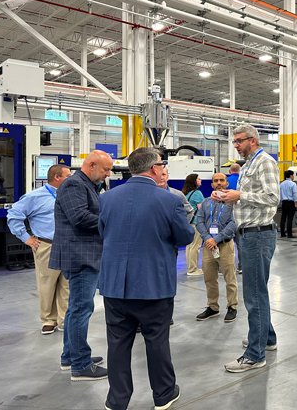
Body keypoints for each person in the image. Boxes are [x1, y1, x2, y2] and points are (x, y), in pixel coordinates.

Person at [97, 148, 194, 410]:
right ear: (153, 168)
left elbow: (103, 232)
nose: (163, 169)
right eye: (162, 164)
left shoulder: (106, 198)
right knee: (156, 340)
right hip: (154, 285)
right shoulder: (169, 201)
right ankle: (163, 395)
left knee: (117, 343)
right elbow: (185, 237)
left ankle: (116, 400)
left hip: (115, 285)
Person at [215, 125, 280, 373]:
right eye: (234, 141)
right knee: (258, 290)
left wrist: (240, 196)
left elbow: (273, 197)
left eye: (239, 141)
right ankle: (267, 338)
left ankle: (255, 354)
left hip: (258, 235)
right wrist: (227, 196)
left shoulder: (264, 162)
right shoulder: (248, 164)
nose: (235, 145)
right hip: (250, 234)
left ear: (252, 140)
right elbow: (247, 196)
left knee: (254, 295)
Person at [49, 150, 113, 381]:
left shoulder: (88, 185)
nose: (108, 174)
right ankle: (81, 365)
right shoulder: (74, 184)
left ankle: (70, 356)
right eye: (105, 169)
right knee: (81, 309)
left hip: (82, 254)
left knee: (76, 308)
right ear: (91, 165)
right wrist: (112, 220)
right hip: (80, 256)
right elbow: (79, 217)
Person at [7, 164, 72, 334]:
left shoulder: (70, 194)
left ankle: (64, 320)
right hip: (47, 245)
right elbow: (14, 215)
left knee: (67, 284)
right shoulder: (34, 197)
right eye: (67, 176)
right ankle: (48, 319)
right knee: (47, 284)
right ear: (57, 177)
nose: (71, 179)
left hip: (69, 245)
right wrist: (26, 238)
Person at [196, 173, 238, 323]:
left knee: (229, 278)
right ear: (212, 184)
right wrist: (208, 238)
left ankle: (232, 306)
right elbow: (199, 221)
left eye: (222, 180)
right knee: (209, 278)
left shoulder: (233, 203)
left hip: (225, 245)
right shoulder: (206, 202)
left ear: (227, 184)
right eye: (216, 181)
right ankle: (213, 307)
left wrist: (216, 238)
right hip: (209, 247)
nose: (219, 183)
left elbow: (234, 223)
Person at [182, 174, 205, 275]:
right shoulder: (197, 193)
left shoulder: (185, 193)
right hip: (196, 223)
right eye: (199, 179)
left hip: (188, 222)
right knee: (196, 246)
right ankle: (192, 269)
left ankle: (190, 267)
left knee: (189, 246)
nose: (201, 180)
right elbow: (201, 209)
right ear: (194, 181)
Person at [226, 163, 242, 273]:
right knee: (241, 243)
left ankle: (226, 267)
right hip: (240, 215)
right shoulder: (243, 180)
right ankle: (241, 266)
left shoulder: (225, 181)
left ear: (230, 171)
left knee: (225, 242)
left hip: (227, 215)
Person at [279, 170, 297, 238]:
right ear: (291, 176)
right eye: (293, 175)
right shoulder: (293, 184)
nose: (293, 177)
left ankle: (282, 233)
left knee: (283, 218)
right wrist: (295, 202)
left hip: (284, 202)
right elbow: (294, 194)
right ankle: (289, 234)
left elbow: (280, 193)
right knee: (290, 219)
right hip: (291, 202)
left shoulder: (281, 184)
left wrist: (281, 200)